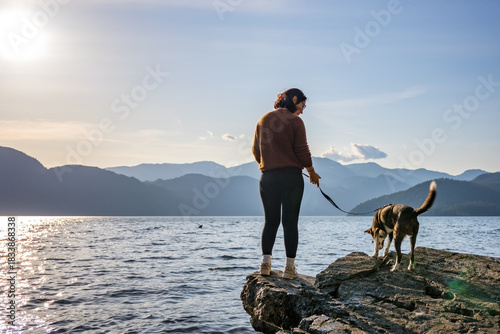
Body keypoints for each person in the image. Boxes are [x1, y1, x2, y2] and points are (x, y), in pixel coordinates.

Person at [252, 88, 321, 279]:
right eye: (302, 105)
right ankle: (289, 269)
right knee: (290, 222)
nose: (302, 110)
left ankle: (265, 265)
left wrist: (270, 164)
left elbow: (256, 151)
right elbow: (302, 150)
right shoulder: (296, 121)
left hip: (268, 177)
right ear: (294, 99)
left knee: (270, 221)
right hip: (291, 178)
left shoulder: (263, 119)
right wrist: (311, 171)